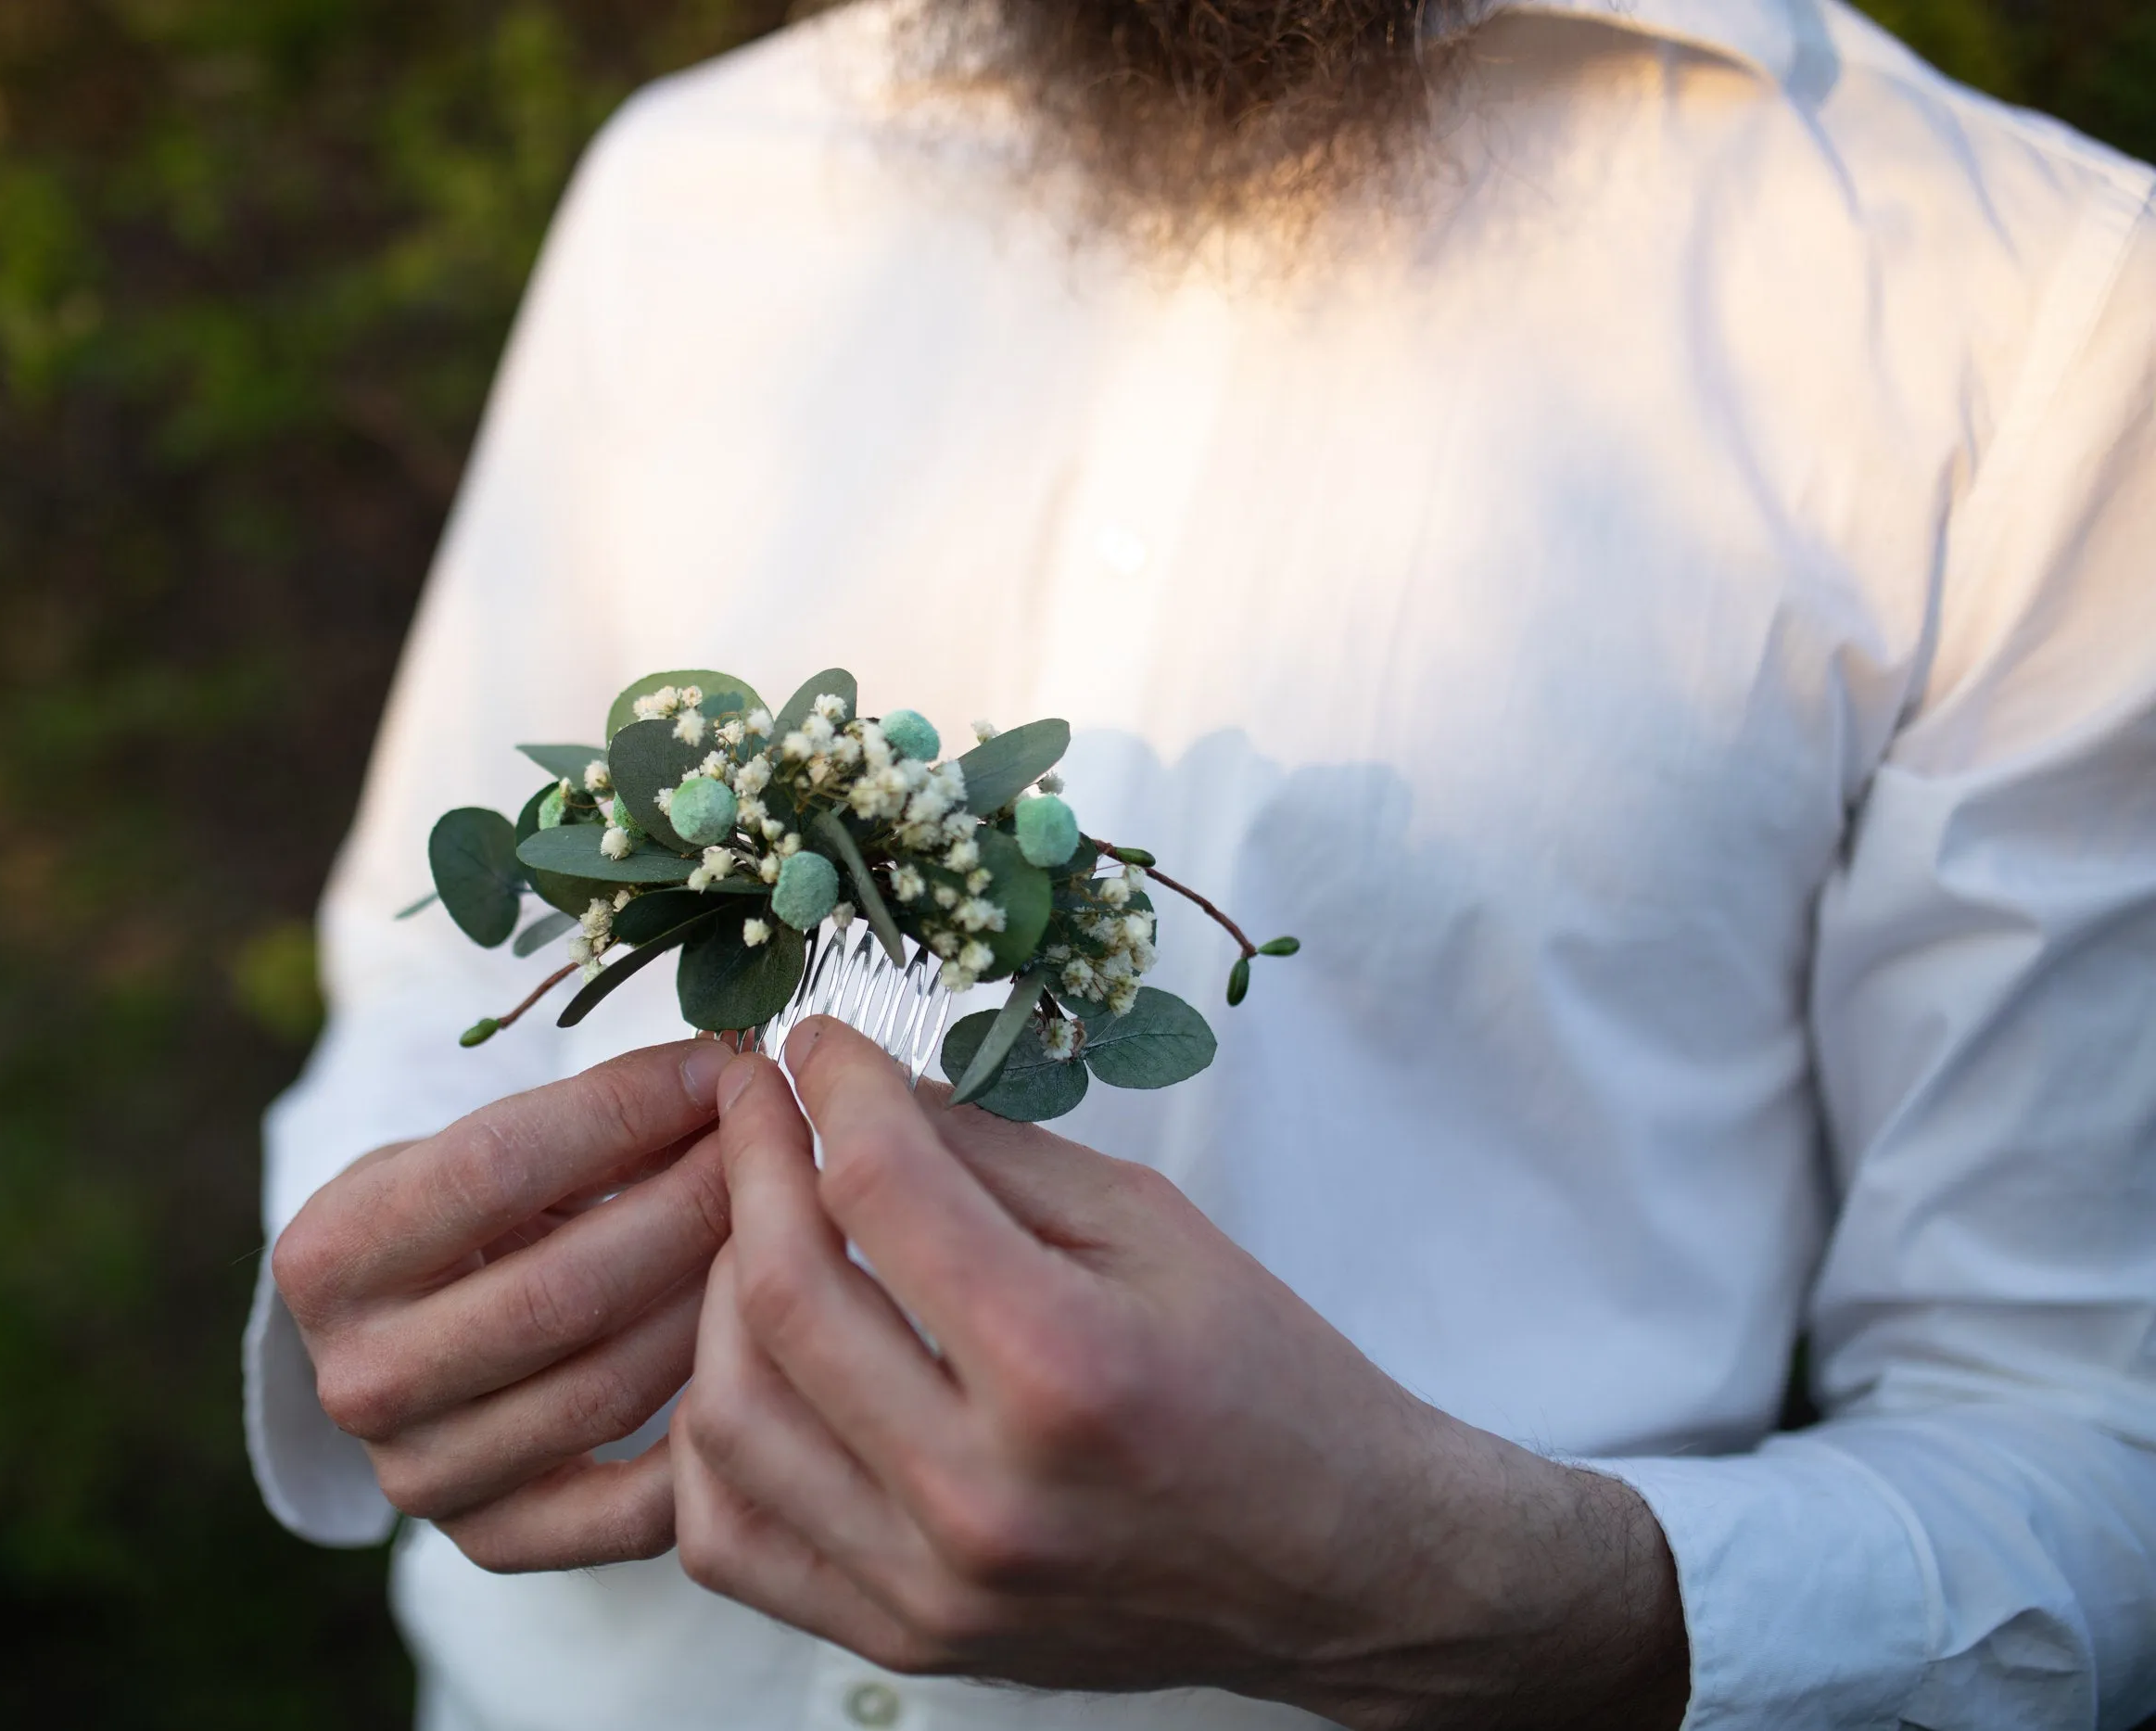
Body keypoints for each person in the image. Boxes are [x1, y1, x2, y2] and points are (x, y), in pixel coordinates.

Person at [245, 1, 2156, 1725]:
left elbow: (2073, 1458)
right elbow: (432, 990)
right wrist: (405, 1306)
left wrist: (1436, 1593)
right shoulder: (699, 191)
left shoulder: (2029, 318)